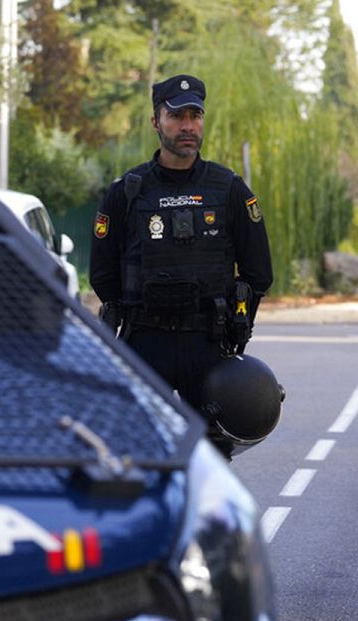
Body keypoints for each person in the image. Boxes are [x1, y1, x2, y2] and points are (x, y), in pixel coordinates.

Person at [89, 74, 273, 459]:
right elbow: (102, 273)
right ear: (156, 122)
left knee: (210, 461)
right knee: (139, 457)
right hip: (145, 342)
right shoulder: (126, 190)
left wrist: (238, 324)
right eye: (176, 116)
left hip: (207, 343)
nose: (187, 125)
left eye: (195, 115)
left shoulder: (229, 188)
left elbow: (258, 272)